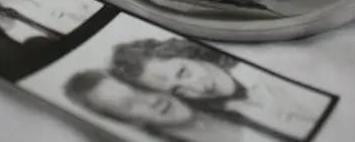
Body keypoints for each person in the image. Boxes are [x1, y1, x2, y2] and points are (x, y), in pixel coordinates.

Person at [110, 38, 324, 139]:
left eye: (183, 72)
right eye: (177, 90)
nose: (196, 88)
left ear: (188, 54)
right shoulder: (228, 116)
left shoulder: (274, 66)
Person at [64, 70, 259, 142]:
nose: (151, 100)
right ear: (131, 122)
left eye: (139, 90)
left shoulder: (246, 101)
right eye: (129, 104)